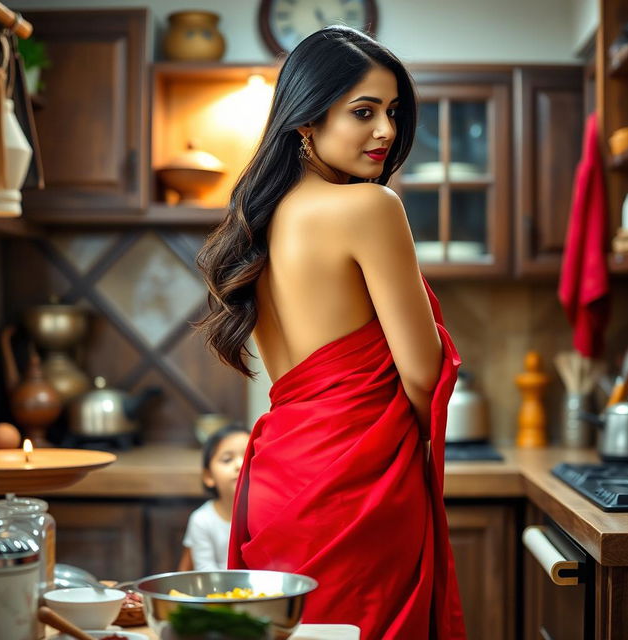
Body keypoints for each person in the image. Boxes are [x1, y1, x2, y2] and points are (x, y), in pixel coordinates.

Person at [196, 25, 466, 640]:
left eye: (392, 112)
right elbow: (423, 373)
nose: (387, 132)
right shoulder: (371, 208)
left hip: (279, 475)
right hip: (358, 484)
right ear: (305, 121)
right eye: (363, 112)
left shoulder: (257, 221)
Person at [178, 424, 250, 572]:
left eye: (248, 457)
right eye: (227, 459)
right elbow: (206, 572)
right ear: (209, 476)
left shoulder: (266, 515)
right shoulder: (202, 520)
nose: (240, 465)